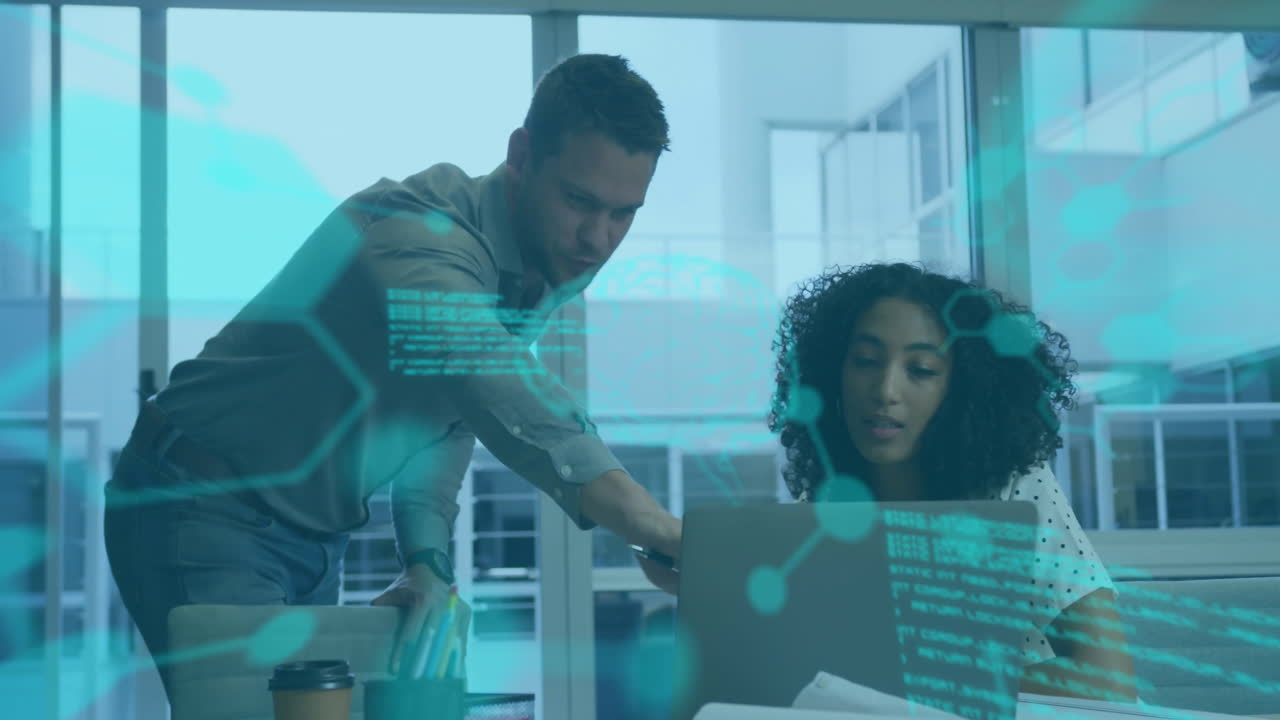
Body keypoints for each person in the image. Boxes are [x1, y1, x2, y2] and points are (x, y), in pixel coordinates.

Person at [103, 53, 682, 697]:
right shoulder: (422, 236)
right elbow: (488, 376)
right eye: (580, 201)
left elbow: (449, 418)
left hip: (313, 536)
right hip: (200, 501)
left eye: (623, 214)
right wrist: (651, 523)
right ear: (521, 154)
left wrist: (427, 562)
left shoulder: (531, 269)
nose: (598, 240)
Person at [767, 262, 1138, 703]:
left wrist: (915, 686)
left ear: (961, 390)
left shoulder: (1013, 488)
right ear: (832, 374)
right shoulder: (824, 507)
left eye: (921, 369)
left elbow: (1108, 679)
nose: (885, 390)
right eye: (865, 361)